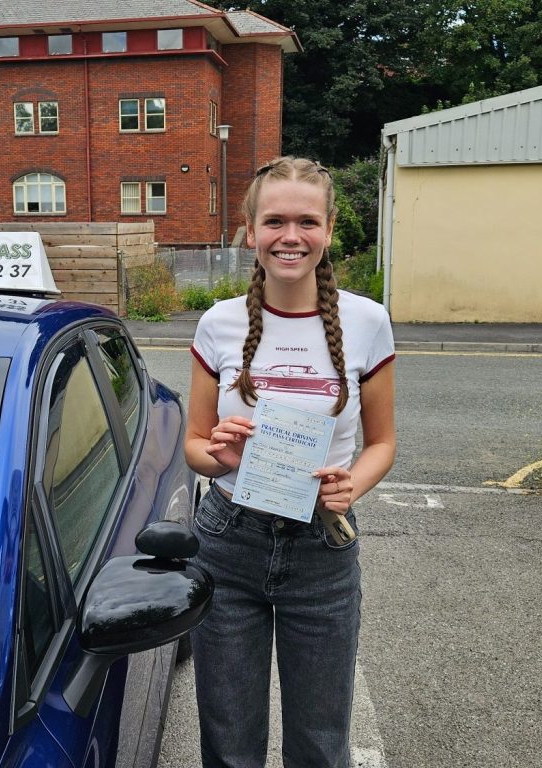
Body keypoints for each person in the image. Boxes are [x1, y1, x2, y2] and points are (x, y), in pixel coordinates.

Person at [185, 156, 396, 768]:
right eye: (274, 220)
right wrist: (216, 451)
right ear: (250, 231)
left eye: (307, 221)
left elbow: (383, 442)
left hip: (320, 550)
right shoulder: (218, 323)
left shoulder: (366, 321)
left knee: (320, 741)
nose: (290, 236)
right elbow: (196, 446)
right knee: (228, 739)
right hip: (228, 541)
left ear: (329, 229)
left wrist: (350, 484)